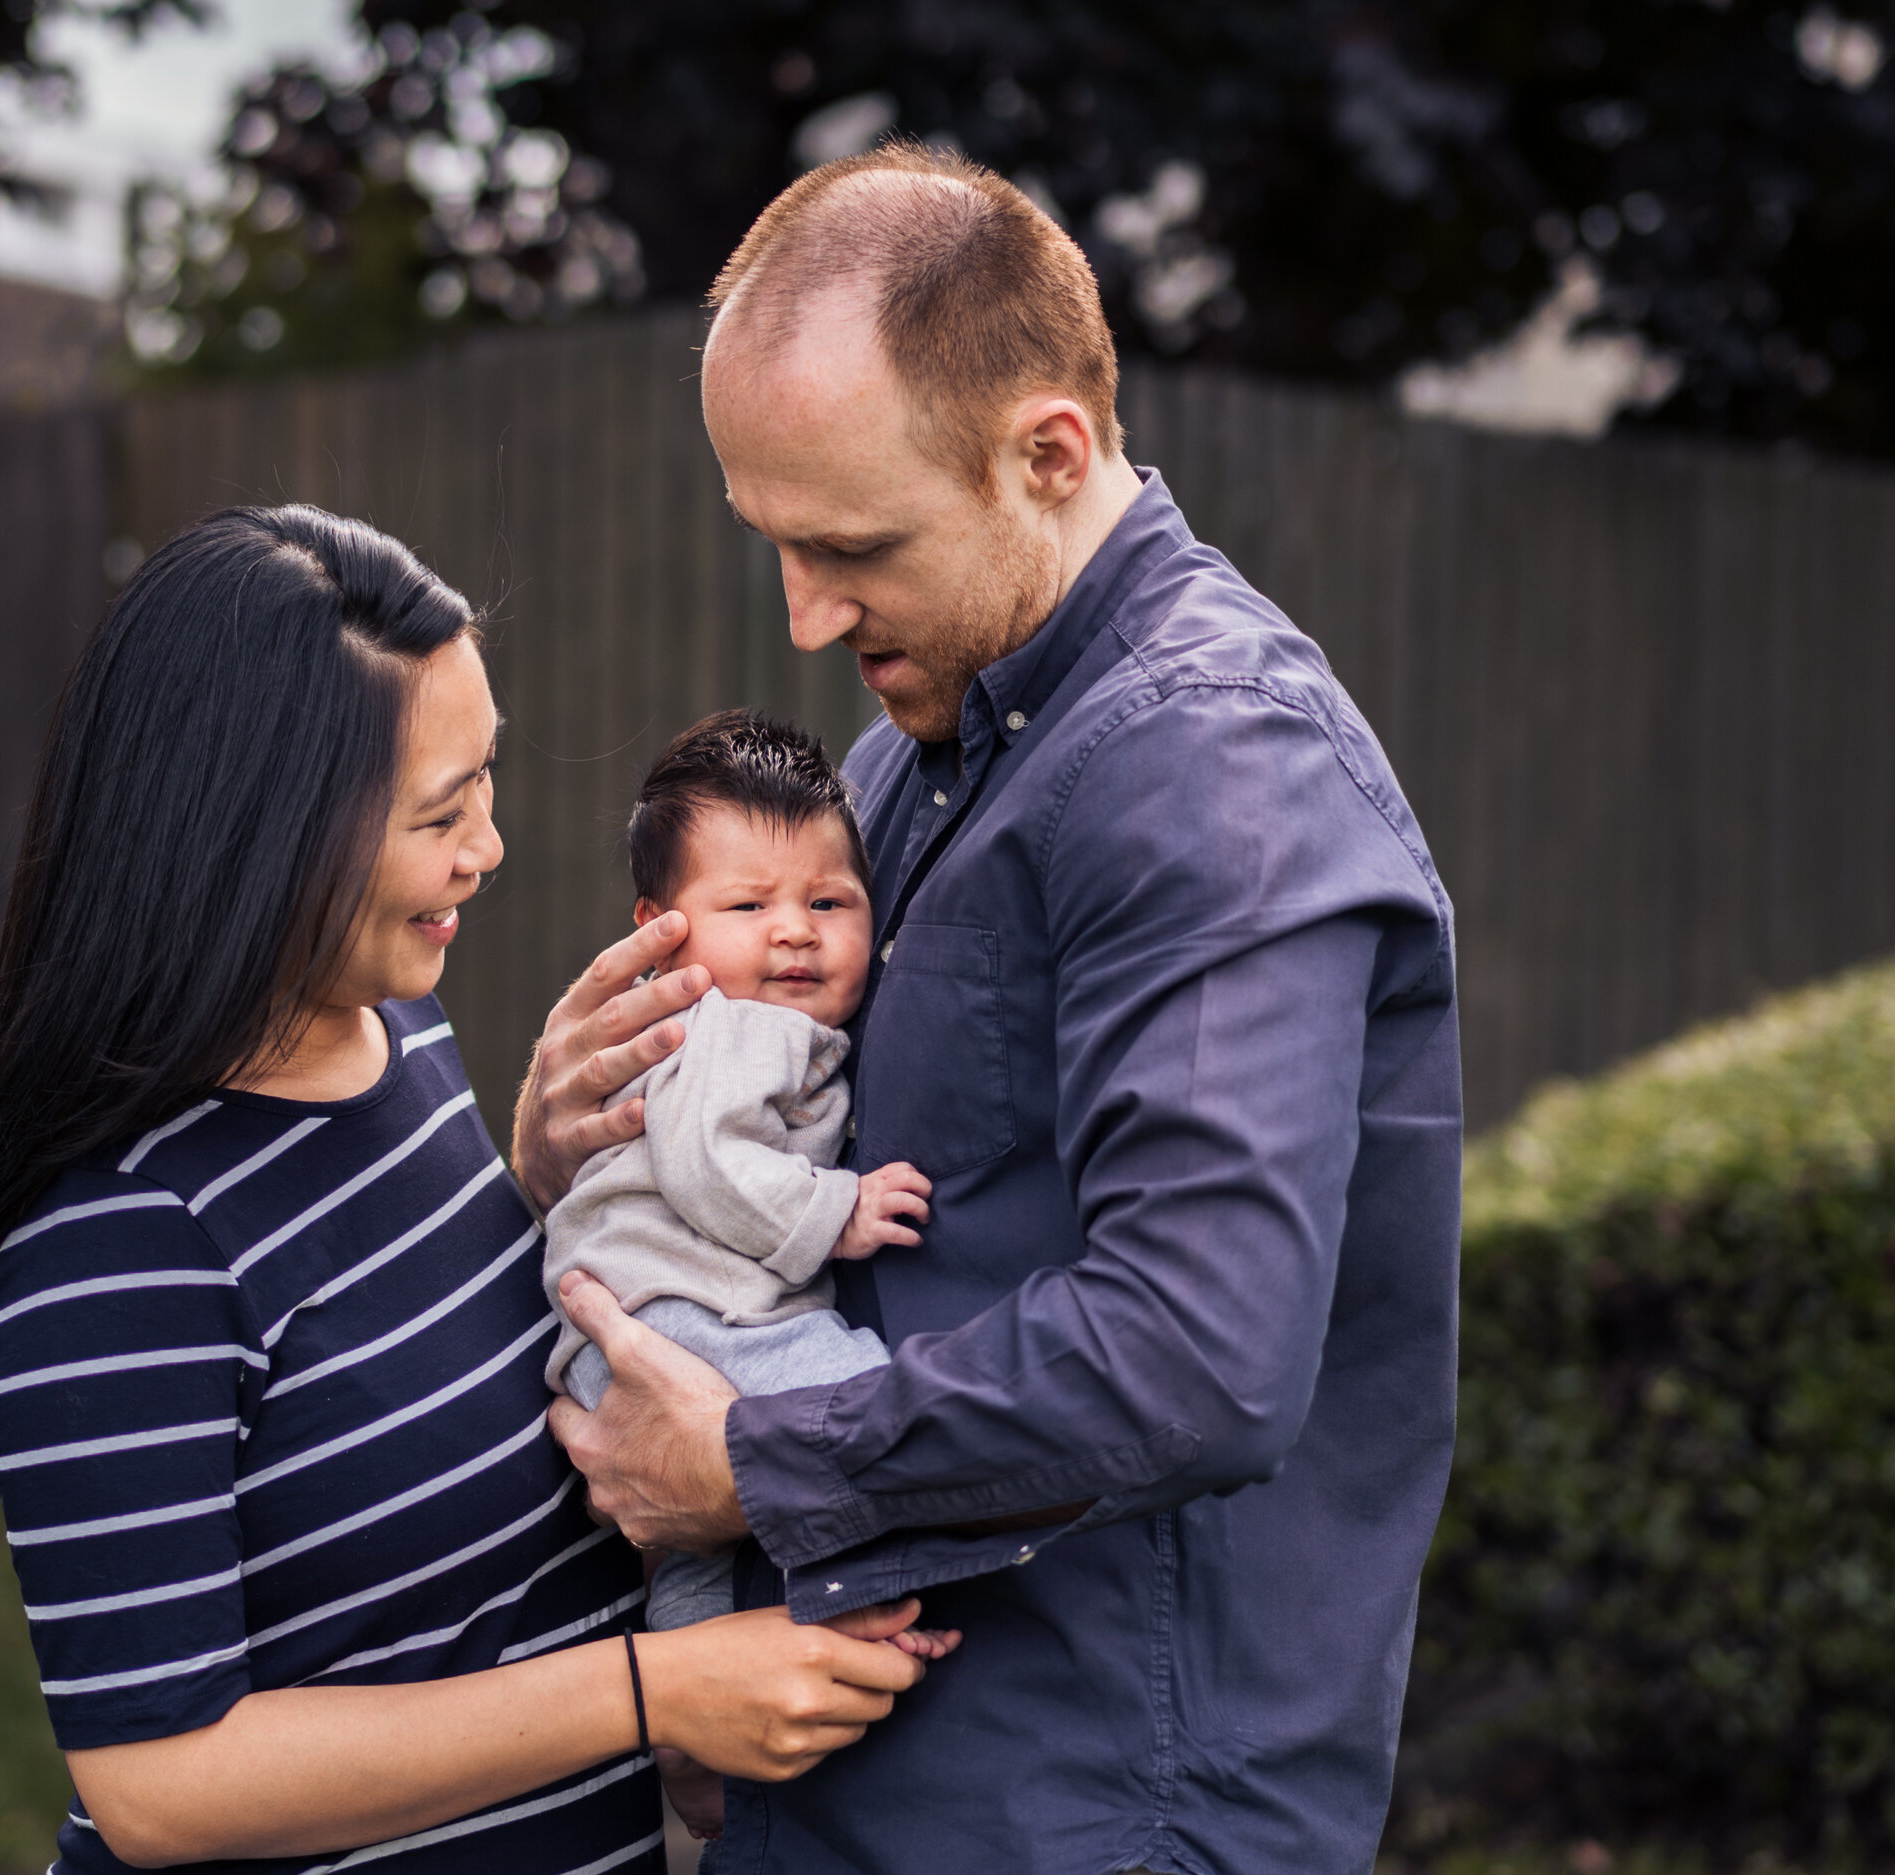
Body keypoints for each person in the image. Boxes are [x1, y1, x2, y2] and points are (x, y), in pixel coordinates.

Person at [520, 145, 1462, 1874]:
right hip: (881, 1778)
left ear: (1049, 454)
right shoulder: (915, 756)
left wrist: (756, 1462)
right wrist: (590, 1147)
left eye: (853, 544)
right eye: (776, 546)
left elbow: (1199, 1356)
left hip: (1099, 1810)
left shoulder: (1211, 771)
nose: (805, 617)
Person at [0, 505, 940, 1875]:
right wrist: (656, 1689)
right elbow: (161, 1779)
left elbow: (386, 1365)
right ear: (261, 838)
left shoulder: (394, 1038)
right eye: (443, 812)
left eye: (488, 786)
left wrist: (549, 1187)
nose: (491, 848)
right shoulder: (115, 1240)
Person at [542, 710, 943, 1642]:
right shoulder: (740, 1025)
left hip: (633, 1322)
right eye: (749, 906)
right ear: (661, 931)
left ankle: (693, 1682)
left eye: (829, 903)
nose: (794, 933)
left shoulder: (746, 1020)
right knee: (858, 1393)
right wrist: (836, 1208)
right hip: (675, 1312)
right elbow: (708, 1161)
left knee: (697, 1548)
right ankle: (872, 1590)